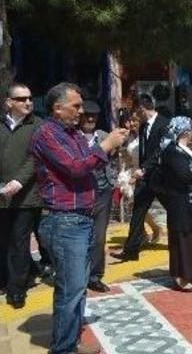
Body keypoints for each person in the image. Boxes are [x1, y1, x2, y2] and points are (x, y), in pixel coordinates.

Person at [32, 82, 127, 354]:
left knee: (78, 288)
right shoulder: (46, 134)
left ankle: (70, 341)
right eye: (75, 106)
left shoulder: (71, 134)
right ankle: (63, 348)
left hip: (80, 219)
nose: (81, 111)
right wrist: (106, 144)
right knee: (70, 289)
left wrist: (106, 147)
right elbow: (76, 167)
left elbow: (89, 161)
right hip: (64, 221)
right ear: (57, 108)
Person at [113, 94, 170, 262]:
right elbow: (145, 152)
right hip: (145, 179)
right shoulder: (145, 127)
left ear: (142, 109)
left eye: (137, 113)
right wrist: (140, 172)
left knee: (174, 210)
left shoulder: (164, 124)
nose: (136, 117)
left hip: (160, 178)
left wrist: (144, 169)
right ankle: (131, 251)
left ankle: (185, 241)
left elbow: (161, 150)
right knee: (138, 213)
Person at [159, 117, 192, 292]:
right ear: (184, 131)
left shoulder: (185, 150)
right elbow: (183, 174)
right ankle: (181, 276)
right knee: (183, 238)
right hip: (181, 202)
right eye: (190, 130)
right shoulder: (172, 151)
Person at [0, 83, 42, 308]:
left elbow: (35, 157)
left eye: (29, 98)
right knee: (3, 240)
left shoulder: (38, 126)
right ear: (9, 102)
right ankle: (4, 278)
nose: (27, 102)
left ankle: (17, 289)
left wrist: (18, 181)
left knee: (19, 242)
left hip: (26, 197)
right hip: (1, 196)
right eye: (21, 98)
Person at [79, 101, 119, 293]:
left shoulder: (104, 136)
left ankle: (95, 276)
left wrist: (113, 181)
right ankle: (79, 275)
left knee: (99, 237)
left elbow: (114, 158)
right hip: (80, 193)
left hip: (103, 192)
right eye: (87, 115)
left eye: (94, 116)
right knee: (79, 237)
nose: (90, 119)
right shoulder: (72, 137)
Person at [115, 110, 161, 242]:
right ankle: (143, 233)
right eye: (130, 121)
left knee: (138, 206)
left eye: (134, 120)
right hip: (133, 171)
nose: (131, 123)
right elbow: (127, 156)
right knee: (132, 205)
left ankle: (154, 229)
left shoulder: (147, 135)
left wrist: (140, 173)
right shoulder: (130, 136)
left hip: (144, 172)